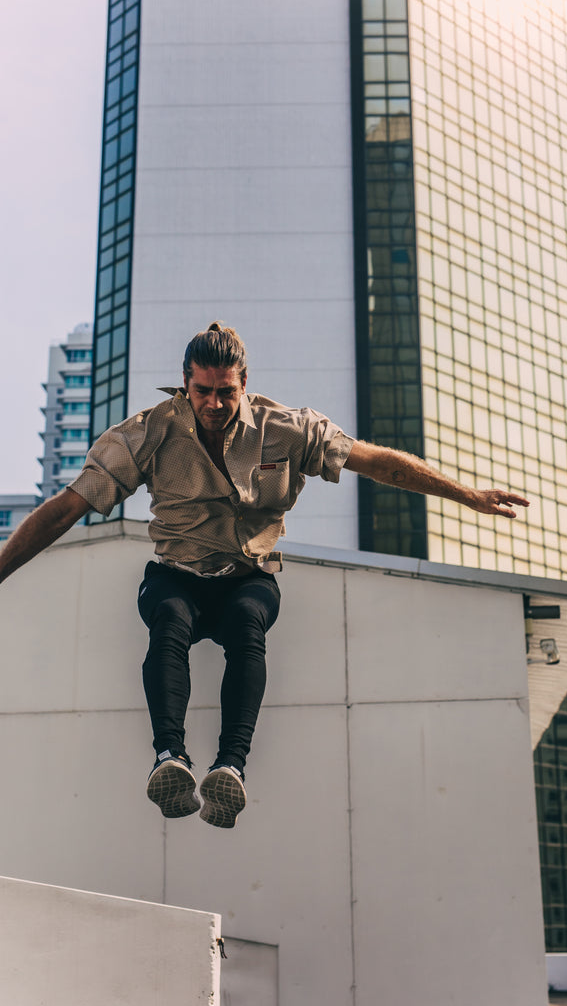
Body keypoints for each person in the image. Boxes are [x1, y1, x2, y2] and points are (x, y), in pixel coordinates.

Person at [0, 322, 529, 828]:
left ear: (244, 384)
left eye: (225, 392)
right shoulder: (148, 431)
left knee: (247, 624)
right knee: (168, 620)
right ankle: (170, 757)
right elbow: (67, 507)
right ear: (185, 383)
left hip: (247, 573)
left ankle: (230, 769)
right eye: (202, 391)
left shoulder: (288, 430)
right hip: (176, 572)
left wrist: (470, 495)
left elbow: (379, 463)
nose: (213, 404)